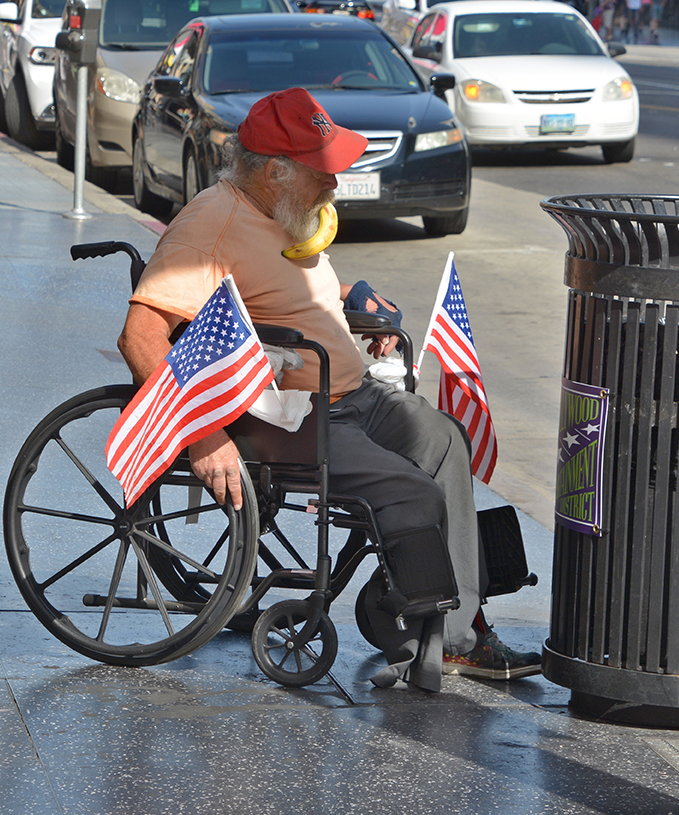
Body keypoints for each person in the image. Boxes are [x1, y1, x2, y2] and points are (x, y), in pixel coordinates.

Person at [116, 88, 541, 692]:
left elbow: (296, 288)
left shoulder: (284, 213)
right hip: (292, 415)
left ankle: (450, 622)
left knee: (446, 440)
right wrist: (202, 436)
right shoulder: (211, 225)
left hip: (355, 395)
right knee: (409, 489)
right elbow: (141, 336)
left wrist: (354, 296)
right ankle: (425, 618)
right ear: (274, 171)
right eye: (324, 173)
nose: (335, 184)